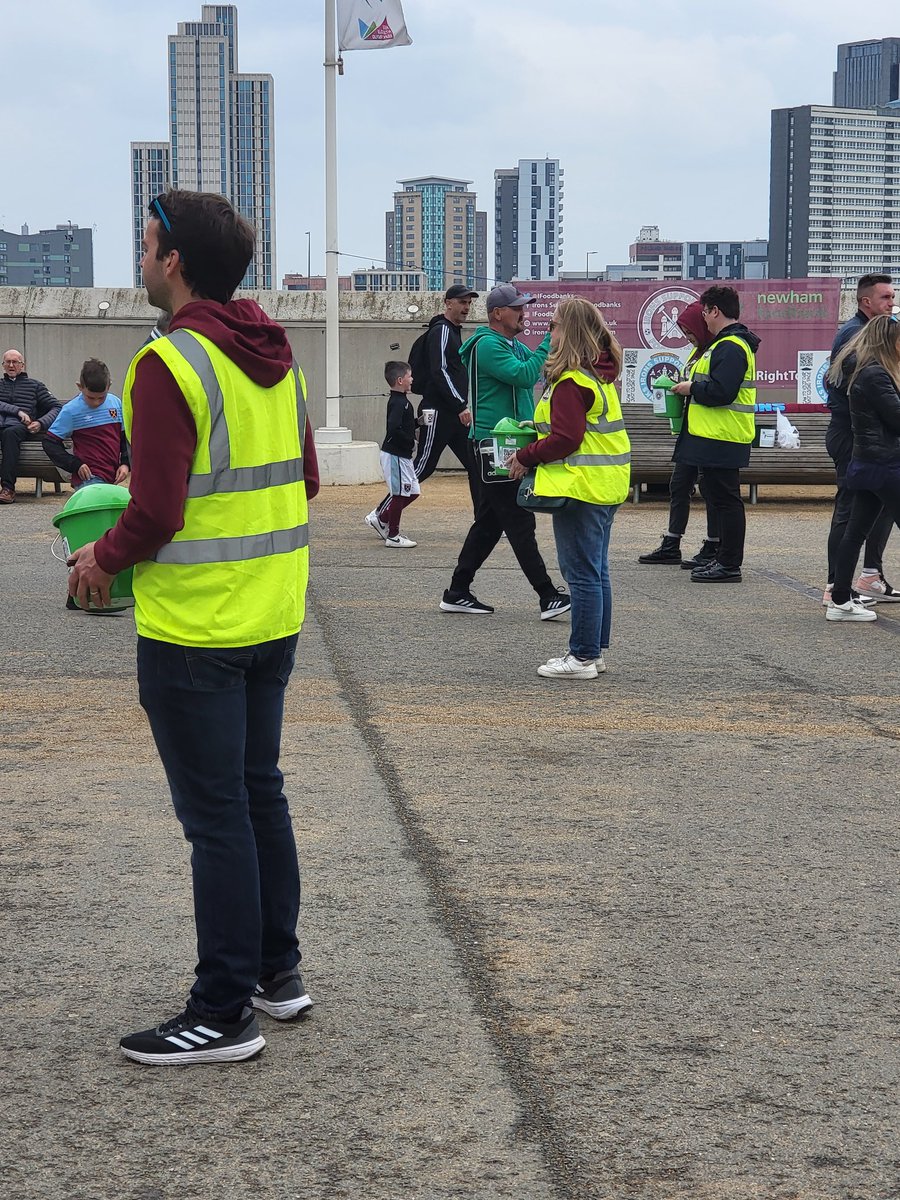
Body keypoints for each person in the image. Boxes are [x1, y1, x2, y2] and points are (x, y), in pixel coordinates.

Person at [67, 188, 319, 1065]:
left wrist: (98, 557)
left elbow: (159, 511)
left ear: (174, 262)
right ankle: (275, 976)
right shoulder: (273, 355)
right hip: (274, 613)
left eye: (145, 246)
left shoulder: (168, 364)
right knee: (259, 794)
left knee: (216, 818)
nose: (139, 261)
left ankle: (221, 1013)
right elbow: (307, 481)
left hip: (196, 630)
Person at [506, 297, 630, 678]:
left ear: (570, 332)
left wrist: (526, 454)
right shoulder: (599, 374)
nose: (550, 332)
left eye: (555, 326)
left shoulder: (571, 382)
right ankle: (594, 651)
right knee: (596, 571)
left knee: (580, 574)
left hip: (580, 488)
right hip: (605, 485)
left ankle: (581, 657)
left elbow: (566, 439)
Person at [439, 284, 570, 618]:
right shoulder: (487, 346)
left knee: (490, 523)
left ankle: (457, 591)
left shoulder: (508, 343)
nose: (524, 312)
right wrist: (546, 341)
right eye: (517, 307)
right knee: (518, 519)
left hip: (502, 442)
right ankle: (547, 595)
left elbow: (540, 368)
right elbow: (525, 376)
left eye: (524, 306)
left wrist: (552, 347)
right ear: (498, 314)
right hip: (493, 445)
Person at [366, 283, 477, 537]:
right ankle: (381, 514)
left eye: (469, 303)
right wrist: (460, 404)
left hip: (452, 413)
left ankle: (484, 519)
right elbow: (440, 371)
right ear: (448, 303)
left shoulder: (453, 331)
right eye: (462, 302)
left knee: (474, 465)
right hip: (440, 411)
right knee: (422, 467)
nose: (466, 307)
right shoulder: (442, 331)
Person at [671, 285, 760, 583]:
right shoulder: (725, 344)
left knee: (727, 501)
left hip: (723, 436)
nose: (704, 319)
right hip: (715, 436)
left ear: (715, 311)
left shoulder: (731, 346)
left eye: (705, 312)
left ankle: (730, 563)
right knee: (720, 498)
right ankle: (723, 559)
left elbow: (722, 391)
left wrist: (691, 388)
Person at [824, 273, 899, 605]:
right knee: (850, 512)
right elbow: (839, 383)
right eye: (885, 298)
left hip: (870, 442)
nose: (892, 304)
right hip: (858, 438)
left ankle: (864, 578)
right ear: (865, 301)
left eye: (893, 297)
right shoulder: (859, 338)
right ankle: (836, 587)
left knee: (871, 510)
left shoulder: (871, 340)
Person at [637, 301, 720, 568]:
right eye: (683, 332)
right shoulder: (697, 354)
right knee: (679, 484)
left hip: (708, 433)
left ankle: (714, 543)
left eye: (689, 331)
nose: (687, 337)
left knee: (709, 488)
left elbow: (714, 390)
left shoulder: (717, 351)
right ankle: (672, 543)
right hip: (691, 430)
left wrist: (689, 389)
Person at [42, 358, 130, 489]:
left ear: (109, 386)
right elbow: (49, 443)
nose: (96, 402)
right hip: (88, 478)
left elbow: (124, 439)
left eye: (101, 397)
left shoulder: (116, 403)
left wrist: (125, 463)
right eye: (90, 397)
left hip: (112, 475)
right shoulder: (71, 410)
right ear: (80, 387)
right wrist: (75, 464)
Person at [0, 350, 60, 503]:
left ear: (22, 365)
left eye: (15, 362)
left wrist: (40, 423)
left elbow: (56, 408)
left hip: (18, 429)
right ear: (3, 365)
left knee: (10, 433)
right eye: (8, 362)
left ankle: (8, 489)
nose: (11, 365)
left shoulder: (35, 386)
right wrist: (18, 411)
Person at [377, 359, 419, 547]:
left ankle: (383, 519)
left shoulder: (403, 402)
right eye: (410, 376)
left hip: (403, 456)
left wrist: (419, 423)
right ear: (400, 380)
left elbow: (403, 425)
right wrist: (411, 440)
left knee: (413, 492)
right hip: (395, 455)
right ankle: (393, 535)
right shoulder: (398, 402)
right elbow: (394, 428)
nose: (412, 379)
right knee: (399, 493)